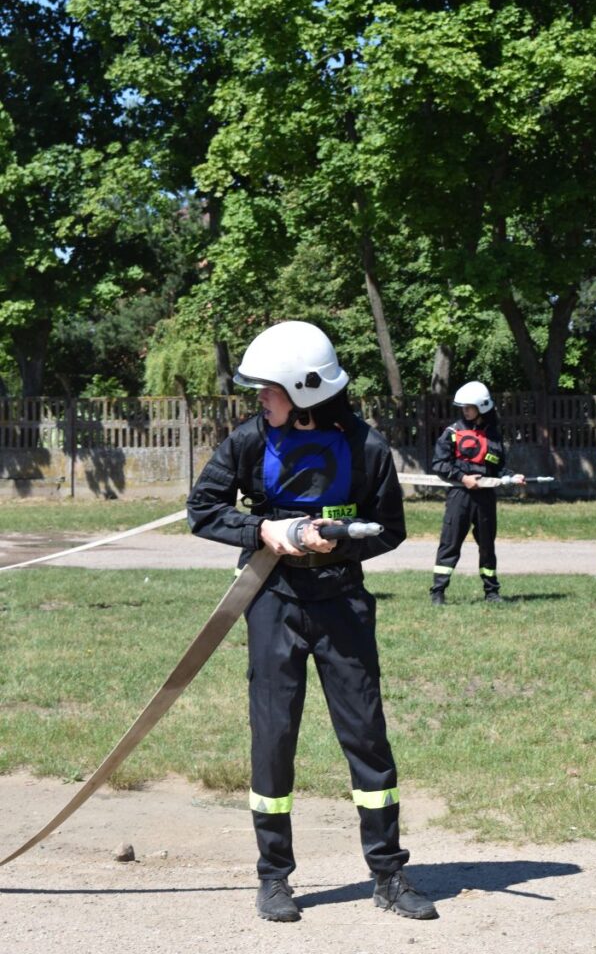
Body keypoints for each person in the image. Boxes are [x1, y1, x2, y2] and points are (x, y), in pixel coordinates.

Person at [186, 321, 437, 923]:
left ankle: (389, 875)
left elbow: (391, 529)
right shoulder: (249, 440)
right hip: (272, 604)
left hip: (342, 605)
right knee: (273, 740)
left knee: (367, 741)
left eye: (268, 390)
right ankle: (274, 878)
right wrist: (263, 531)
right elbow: (204, 509)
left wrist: (337, 547)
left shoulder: (367, 448)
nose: (260, 401)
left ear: (304, 390)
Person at [429, 381, 522, 605]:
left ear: (482, 407)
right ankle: (438, 592)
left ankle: (492, 592)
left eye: (469, 407)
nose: (465, 410)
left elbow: (498, 468)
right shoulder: (452, 433)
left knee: (487, 544)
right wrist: (463, 478)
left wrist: (512, 477)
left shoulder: (494, 436)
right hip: (460, 496)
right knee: (450, 543)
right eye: (463, 407)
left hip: (485, 497)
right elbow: (439, 464)